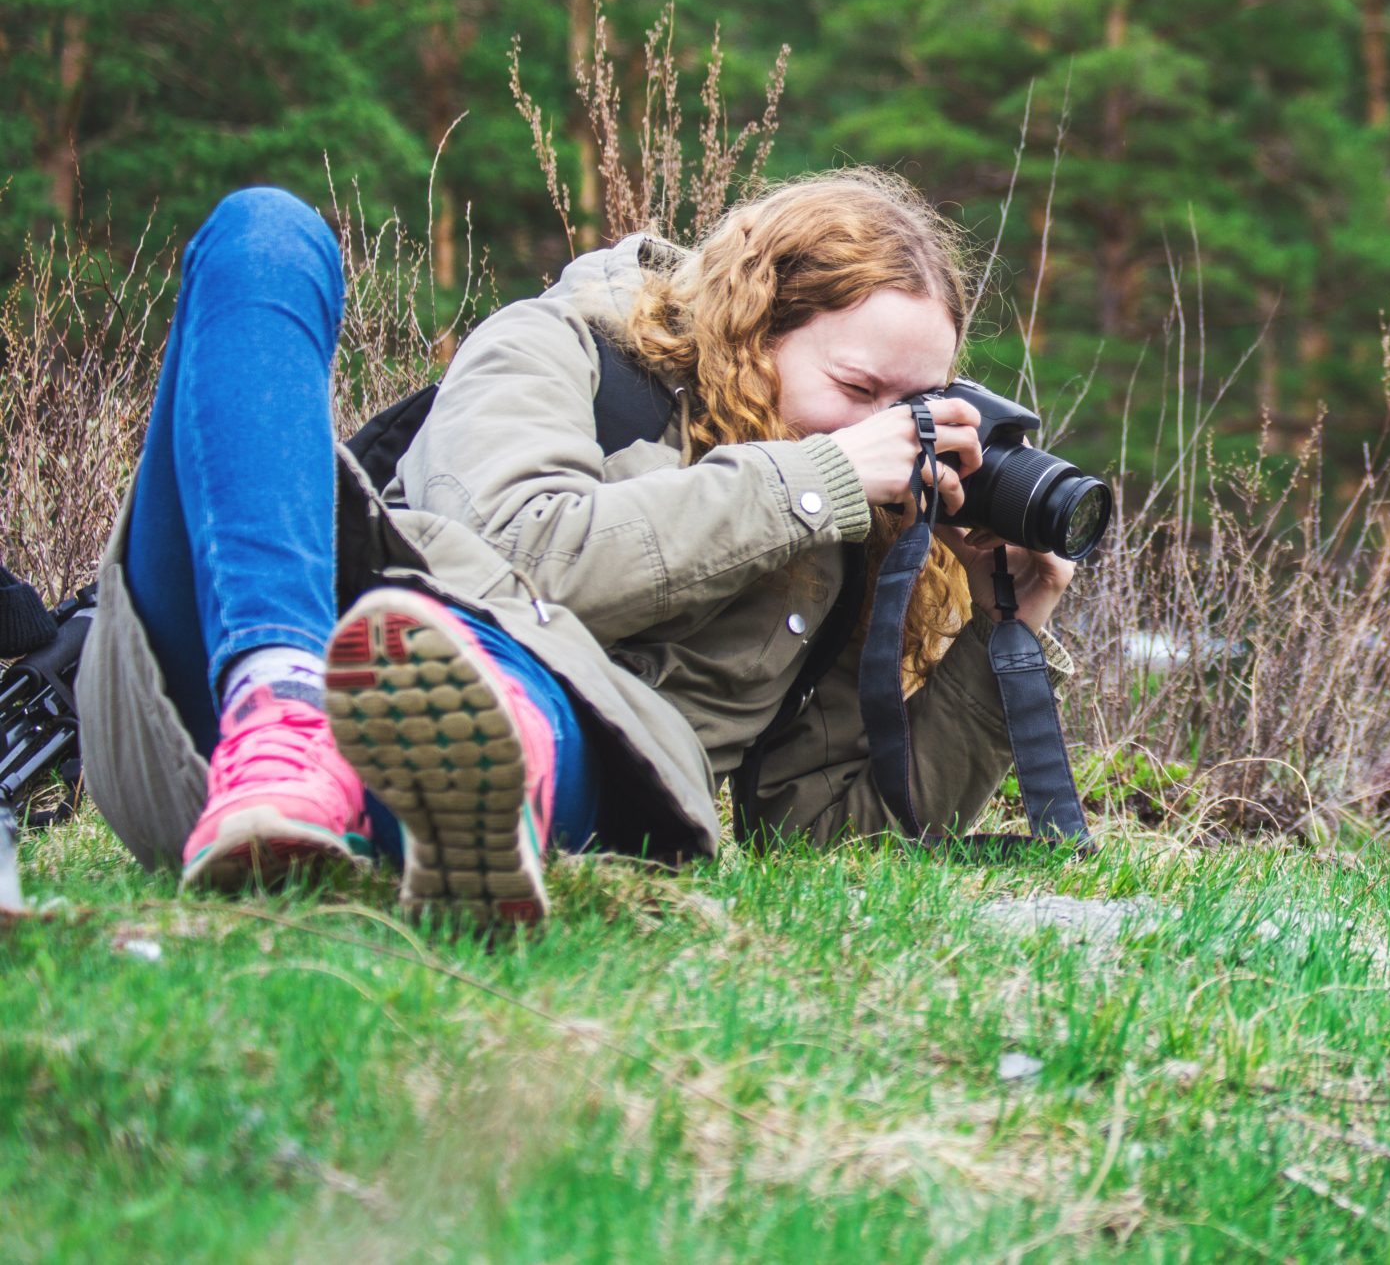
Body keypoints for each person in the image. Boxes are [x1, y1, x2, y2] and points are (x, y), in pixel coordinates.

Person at [73, 171, 1079, 925]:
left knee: (537, 700)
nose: (890, 430)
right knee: (263, 232)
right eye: (860, 390)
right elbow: (513, 555)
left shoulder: (839, 542)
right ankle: (282, 711)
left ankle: (468, 780)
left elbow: (821, 830)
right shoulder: (561, 351)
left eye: (917, 405)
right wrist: (811, 483)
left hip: (552, 752)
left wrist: (1005, 629)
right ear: (750, 325)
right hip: (219, 721)